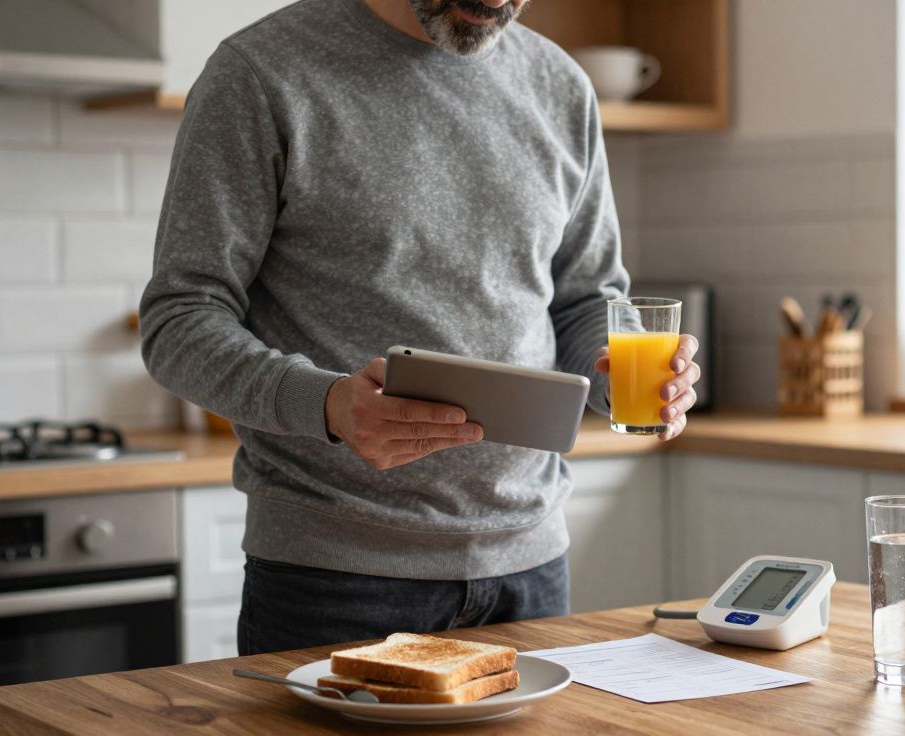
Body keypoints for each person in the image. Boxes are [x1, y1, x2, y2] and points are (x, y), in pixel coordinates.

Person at [139, 0, 701, 655]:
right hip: (333, 579)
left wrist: (620, 375)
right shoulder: (260, 74)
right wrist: (328, 404)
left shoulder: (561, 86)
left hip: (531, 570)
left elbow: (585, 298)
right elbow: (179, 319)